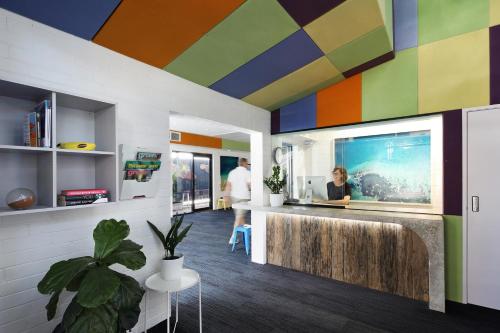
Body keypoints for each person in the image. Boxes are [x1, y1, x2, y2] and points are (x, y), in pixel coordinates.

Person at [224, 158, 251, 244]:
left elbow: (228, 185)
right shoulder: (247, 173)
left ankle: (247, 233)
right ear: (245, 163)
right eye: (247, 164)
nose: (248, 165)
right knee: (238, 217)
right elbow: (250, 185)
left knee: (240, 216)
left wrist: (226, 195)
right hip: (243, 197)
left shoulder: (232, 172)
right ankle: (233, 238)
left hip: (234, 197)